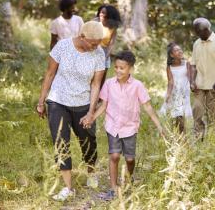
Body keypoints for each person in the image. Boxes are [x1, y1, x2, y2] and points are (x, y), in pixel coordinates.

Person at [81, 51, 164, 201]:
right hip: (113, 125)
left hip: (130, 127)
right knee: (114, 155)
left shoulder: (137, 85)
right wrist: (91, 117)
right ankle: (113, 188)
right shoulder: (109, 83)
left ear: (130, 68)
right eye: (117, 67)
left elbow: (148, 107)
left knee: (130, 159)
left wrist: (159, 126)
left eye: (122, 68)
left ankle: (129, 179)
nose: (118, 71)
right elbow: (104, 105)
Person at [36, 21, 105, 201]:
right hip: (58, 101)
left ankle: (91, 172)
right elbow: (49, 74)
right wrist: (41, 102)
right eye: (93, 43)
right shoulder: (62, 46)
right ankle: (68, 188)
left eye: (98, 43)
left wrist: (91, 112)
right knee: (61, 142)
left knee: (88, 141)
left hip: (83, 103)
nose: (96, 47)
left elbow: (96, 84)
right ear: (82, 37)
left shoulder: (98, 53)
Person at [190, 17, 215, 140]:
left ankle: (212, 138)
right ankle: (198, 137)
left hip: (214, 84)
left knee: (211, 113)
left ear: (206, 30)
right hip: (199, 84)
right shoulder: (197, 43)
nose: (196, 34)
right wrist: (192, 81)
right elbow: (193, 65)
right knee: (197, 109)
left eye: (198, 32)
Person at [161, 42, 192, 133]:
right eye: (176, 50)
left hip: (184, 93)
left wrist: (194, 87)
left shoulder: (187, 64)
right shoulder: (169, 67)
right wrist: (168, 94)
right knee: (176, 115)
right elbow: (170, 81)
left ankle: (182, 135)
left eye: (180, 49)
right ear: (171, 55)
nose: (179, 51)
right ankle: (177, 134)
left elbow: (190, 78)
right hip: (175, 93)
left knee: (182, 115)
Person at [95, 4, 121, 85]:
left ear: (109, 15)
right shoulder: (95, 22)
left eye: (103, 13)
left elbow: (111, 43)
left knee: (102, 78)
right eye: (100, 12)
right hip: (93, 50)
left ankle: (100, 95)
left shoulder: (113, 27)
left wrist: (106, 56)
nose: (101, 14)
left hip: (105, 52)